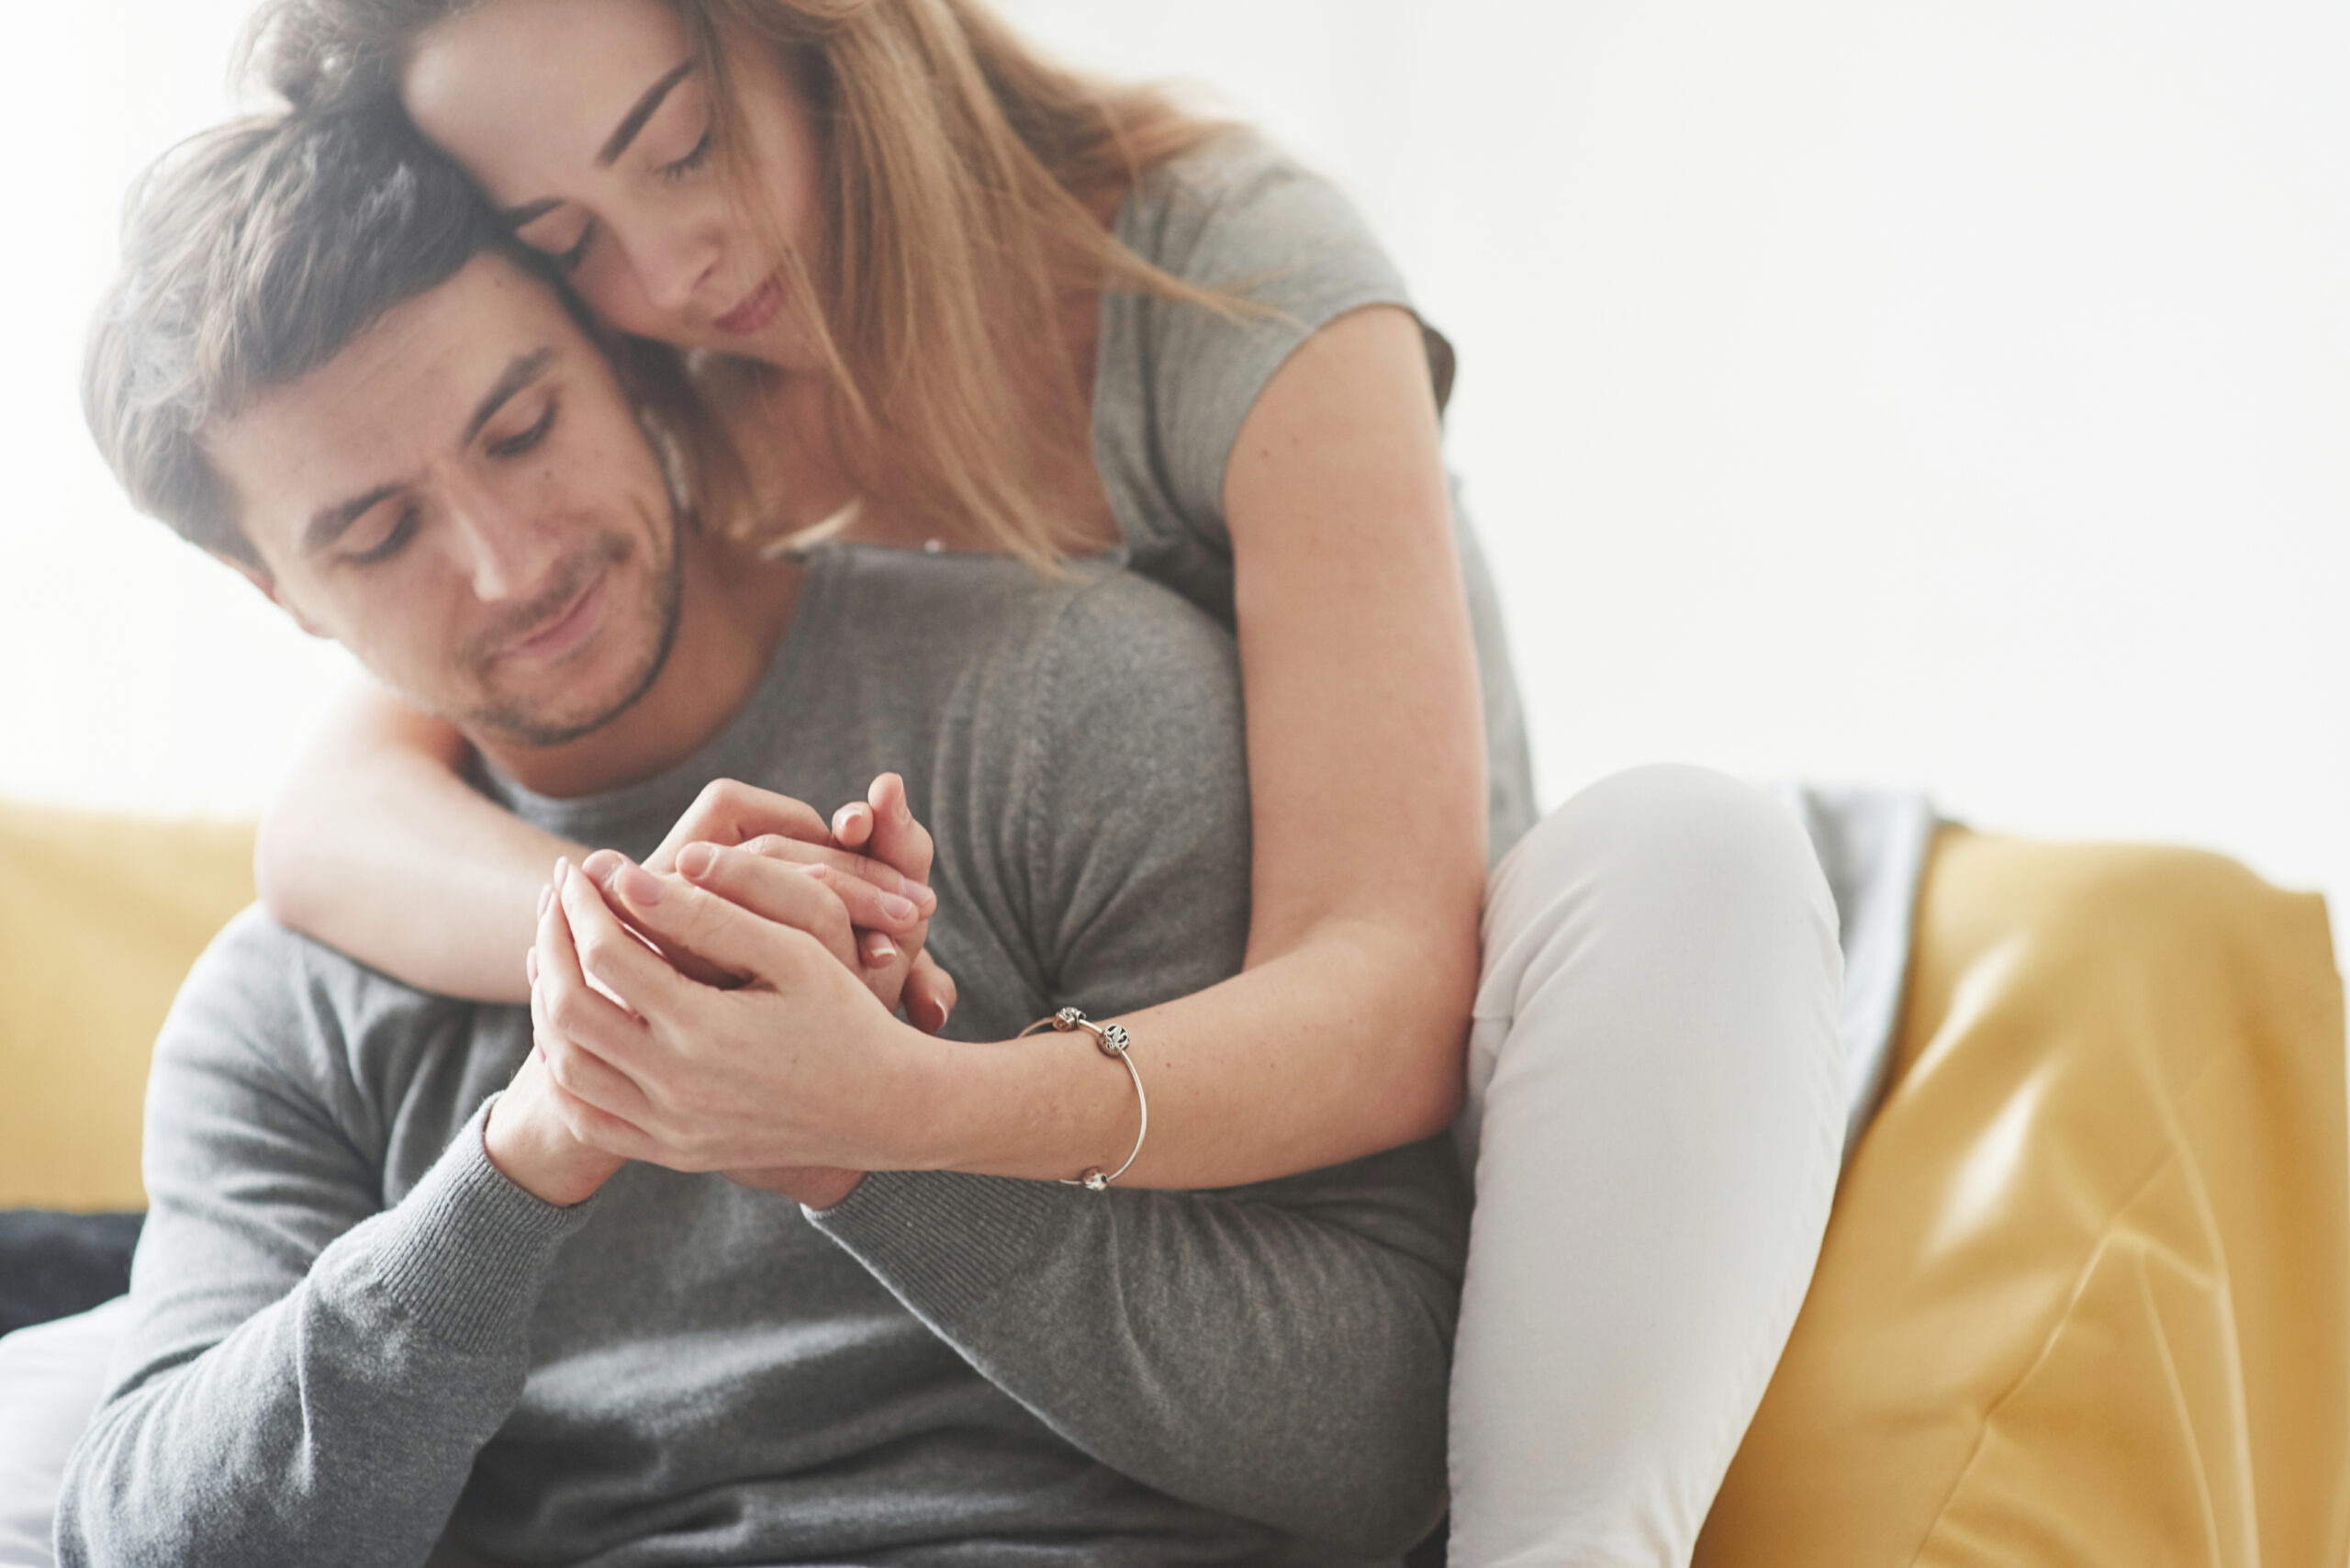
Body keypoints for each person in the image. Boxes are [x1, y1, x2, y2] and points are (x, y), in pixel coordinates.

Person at [239, 1, 1854, 1560]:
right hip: (1035, 1255)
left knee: (1682, 852)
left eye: (685, 146)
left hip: (1455, 1099)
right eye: (566, 236)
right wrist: (675, 953)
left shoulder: (1229, 283)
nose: (667, 266)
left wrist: (901, 1111)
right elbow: (329, 821)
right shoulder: (662, 400)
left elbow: (1385, 993)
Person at [61, 102, 1469, 1566]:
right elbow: (154, 1544)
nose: (508, 561)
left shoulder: (1063, 708)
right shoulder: (284, 1008)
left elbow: (1387, 1442)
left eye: (522, 428)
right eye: (377, 534)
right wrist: (541, 1143)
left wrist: (861, 1136)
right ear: (272, 588)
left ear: (618, 361)